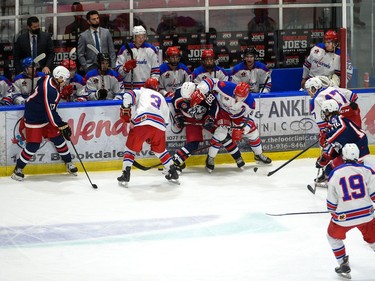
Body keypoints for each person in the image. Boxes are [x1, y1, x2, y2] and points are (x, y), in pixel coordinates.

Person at [11, 66, 78, 181]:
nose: (66, 82)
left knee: (58, 138)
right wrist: (61, 124)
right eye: (65, 79)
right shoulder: (50, 91)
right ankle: (18, 169)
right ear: (58, 78)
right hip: (34, 116)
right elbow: (50, 112)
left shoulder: (47, 78)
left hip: (44, 114)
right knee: (33, 145)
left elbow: (49, 110)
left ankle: (68, 163)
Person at [191, 78, 272, 171]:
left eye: (240, 96)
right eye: (236, 94)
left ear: (246, 95)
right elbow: (212, 81)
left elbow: (249, 118)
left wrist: (242, 129)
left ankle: (258, 155)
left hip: (238, 116)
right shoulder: (227, 87)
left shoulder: (250, 103)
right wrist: (200, 90)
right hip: (222, 112)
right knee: (220, 134)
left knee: (253, 133)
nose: (237, 97)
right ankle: (210, 158)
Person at [117, 78, 179, 187]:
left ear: (145, 85)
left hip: (143, 121)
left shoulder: (142, 91)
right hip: (160, 125)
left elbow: (127, 95)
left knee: (130, 149)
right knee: (160, 151)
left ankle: (125, 173)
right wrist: (154, 131)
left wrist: (125, 107)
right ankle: (172, 171)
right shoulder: (162, 98)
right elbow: (166, 121)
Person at [326, 143, 375, 279]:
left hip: (343, 218)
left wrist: (333, 211)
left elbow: (331, 204)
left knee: (333, 237)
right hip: (366, 215)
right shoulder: (367, 171)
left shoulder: (335, 173)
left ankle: (343, 264)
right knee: (373, 240)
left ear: (343, 156)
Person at [171, 82, 244, 172]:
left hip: (206, 116)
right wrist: (178, 116)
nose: (187, 100)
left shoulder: (204, 92)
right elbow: (175, 107)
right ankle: (175, 161)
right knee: (193, 143)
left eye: (189, 98)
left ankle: (237, 157)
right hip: (191, 119)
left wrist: (211, 117)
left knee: (222, 135)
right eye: (185, 99)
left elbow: (215, 105)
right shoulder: (178, 94)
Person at [315, 99, 375, 186]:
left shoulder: (336, 118)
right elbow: (336, 144)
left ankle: (361, 180)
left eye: (324, 111)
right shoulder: (332, 124)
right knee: (329, 169)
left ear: (328, 111)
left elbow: (342, 128)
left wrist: (327, 138)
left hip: (358, 144)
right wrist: (326, 157)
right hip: (352, 146)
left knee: (351, 167)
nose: (323, 114)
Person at [116, 25, 160, 90]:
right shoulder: (125, 49)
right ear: (134, 37)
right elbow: (118, 71)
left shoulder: (151, 49)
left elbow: (155, 71)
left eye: (143, 36)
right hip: (129, 88)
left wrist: (152, 84)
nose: (141, 39)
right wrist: (126, 68)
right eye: (138, 37)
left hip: (146, 89)